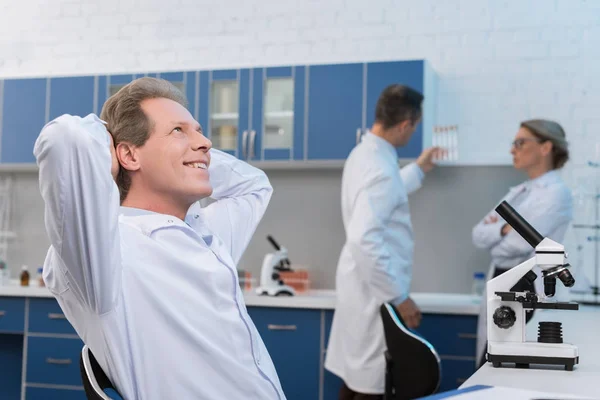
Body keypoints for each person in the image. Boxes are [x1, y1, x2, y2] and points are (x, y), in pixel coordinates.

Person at [34, 77, 285, 399]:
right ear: (126, 155)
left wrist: (189, 153)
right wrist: (121, 148)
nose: (206, 141)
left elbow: (254, 185)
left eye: (199, 129)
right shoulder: (107, 252)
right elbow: (64, 138)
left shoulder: (203, 233)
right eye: (178, 130)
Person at [324, 84, 442, 399]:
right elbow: (365, 239)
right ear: (406, 124)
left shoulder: (365, 154)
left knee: (357, 379)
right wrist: (399, 297)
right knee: (372, 385)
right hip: (376, 293)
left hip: (360, 285)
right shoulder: (381, 168)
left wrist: (418, 169)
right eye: (414, 126)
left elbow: (383, 197)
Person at [472, 119, 573, 367]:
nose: (512, 149)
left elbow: (515, 246)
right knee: (489, 360)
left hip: (525, 288)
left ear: (545, 147)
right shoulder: (518, 192)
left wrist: (501, 231)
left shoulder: (556, 193)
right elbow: (477, 234)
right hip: (501, 280)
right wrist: (506, 228)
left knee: (505, 364)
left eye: (520, 142)